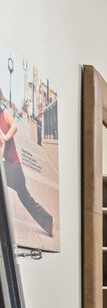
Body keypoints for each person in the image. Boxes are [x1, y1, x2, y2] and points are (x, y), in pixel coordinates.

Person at [0, 86, 52, 235]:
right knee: (26, 199)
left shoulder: (2, 110)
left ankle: (49, 222)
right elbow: (13, 127)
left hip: (12, 167)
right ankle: (49, 222)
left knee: (26, 198)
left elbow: (8, 135)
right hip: (14, 167)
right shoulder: (3, 110)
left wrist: (5, 137)